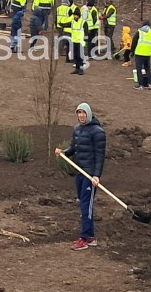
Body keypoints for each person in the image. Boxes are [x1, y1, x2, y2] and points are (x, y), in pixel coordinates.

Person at [55, 102, 106, 251]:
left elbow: (100, 156)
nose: (81, 116)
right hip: (80, 173)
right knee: (83, 204)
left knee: (86, 205)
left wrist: (96, 175)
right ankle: (90, 237)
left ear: (89, 114)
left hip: (90, 175)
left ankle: (84, 238)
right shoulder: (77, 129)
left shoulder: (98, 132)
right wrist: (63, 152)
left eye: (84, 113)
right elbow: (73, 148)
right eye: (79, 113)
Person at [131, 20, 151, 89]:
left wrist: (132, 51)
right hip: (147, 53)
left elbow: (134, 42)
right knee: (147, 68)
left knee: (139, 69)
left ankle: (140, 85)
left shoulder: (139, 32)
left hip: (139, 53)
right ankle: (150, 84)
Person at [69, 8, 86, 74]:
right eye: (74, 15)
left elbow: (86, 32)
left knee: (80, 56)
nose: (74, 16)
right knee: (75, 55)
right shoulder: (72, 22)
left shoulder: (83, 22)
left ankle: (81, 69)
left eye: (76, 15)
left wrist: (85, 41)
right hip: (74, 40)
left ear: (79, 16)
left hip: (80, 41)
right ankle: (77, 68)